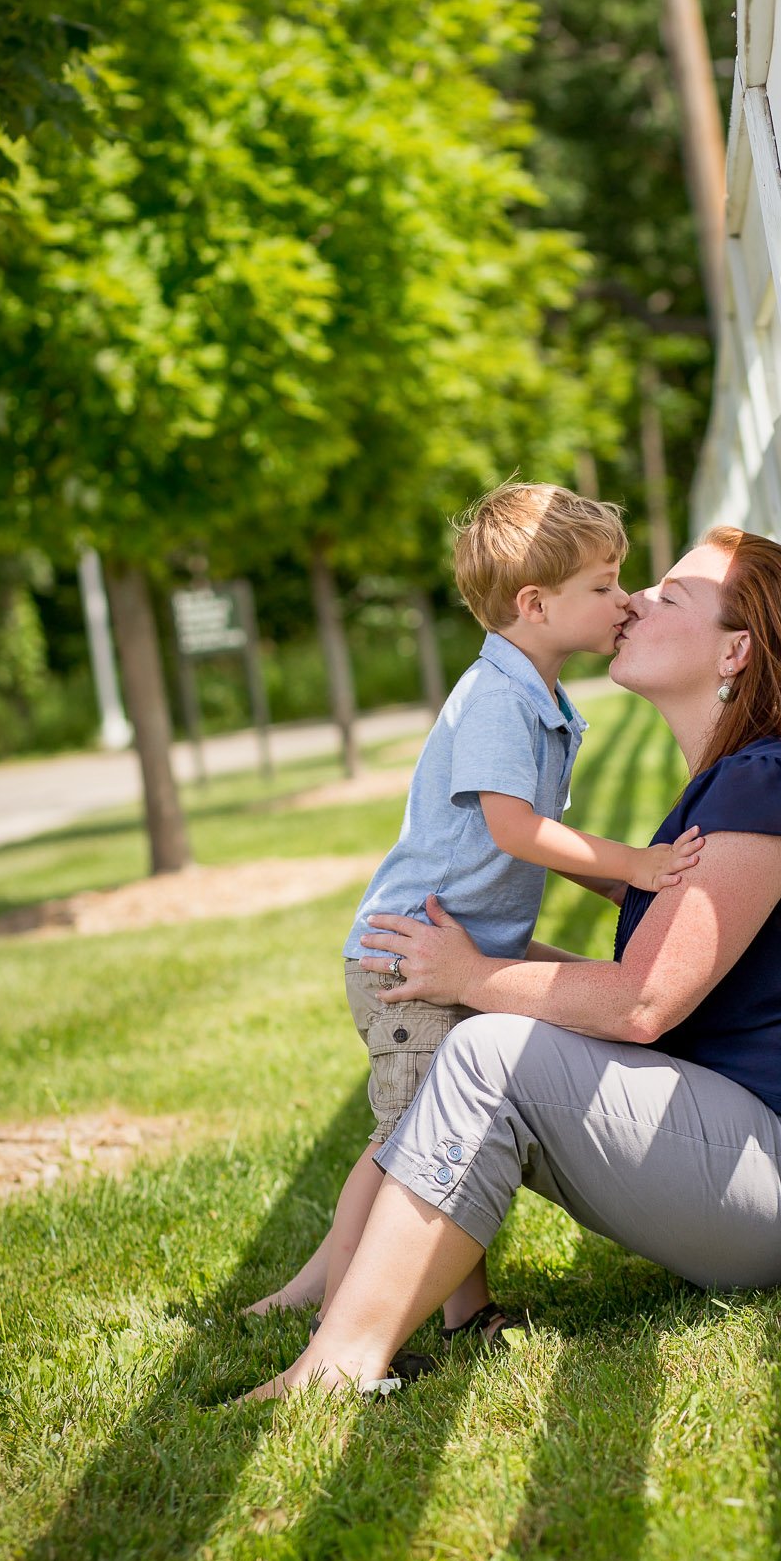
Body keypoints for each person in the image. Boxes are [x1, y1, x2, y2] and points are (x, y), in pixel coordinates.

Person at [243, 526, 781, 1402]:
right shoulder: (734, 785)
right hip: (765, 1147)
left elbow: (641, 1003)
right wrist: (487, 955)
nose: (635, 598)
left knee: (490, 1052)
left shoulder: (767, 786)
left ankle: (335, 1366)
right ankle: (335, 1299)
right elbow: (664, 980)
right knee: (485, 1030)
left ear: (735, 649)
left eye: (671, 595)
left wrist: (471, 976)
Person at [246, 482, 702, 1345]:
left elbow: (531, 834)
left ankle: (458, 1309)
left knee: (434, 1120)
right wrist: (634, 863)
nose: (624, 601)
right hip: (410, 956)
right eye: (604, 586)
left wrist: (615, 890)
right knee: (409, 1142)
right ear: (535, 604)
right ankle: (352, 1315)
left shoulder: (538, 693)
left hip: (466, 943)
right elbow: (514, 828)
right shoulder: (496, 697)